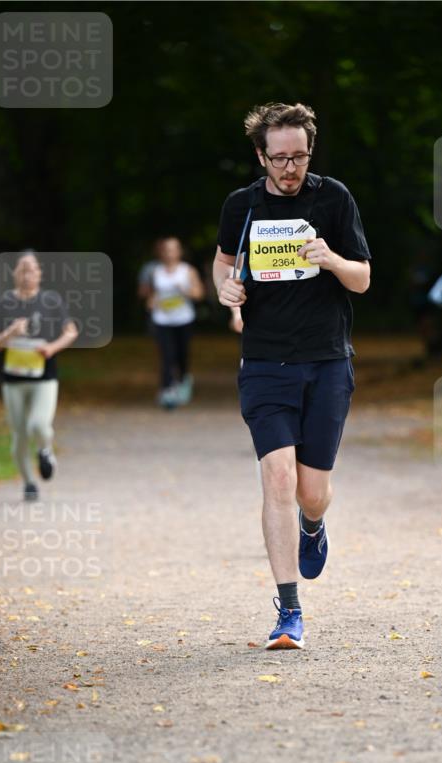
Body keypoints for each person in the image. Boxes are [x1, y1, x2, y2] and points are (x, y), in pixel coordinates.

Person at [213, 102, 371, 649]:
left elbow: (363, 280)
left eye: (299, 156)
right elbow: (222, 261)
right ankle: (289, 610)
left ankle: (313, 525)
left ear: (310, 152)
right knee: (277, 477)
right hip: (264, 363)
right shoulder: (243, 206)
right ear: (261, 156)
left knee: (312, 492)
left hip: (327, 361)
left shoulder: (334, 198)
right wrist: (225, 291)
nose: (289, 167)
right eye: (278, 158)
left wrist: (331, 259)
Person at [0, 251, 78, 501]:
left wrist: (52, 348)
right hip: (13, 380)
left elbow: (71, 332)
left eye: (32, 270)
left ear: (40, 274)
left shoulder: (51, 302)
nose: (27, 275)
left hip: (44, 377)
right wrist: (9, 334)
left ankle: (45, 450)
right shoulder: (5, 304)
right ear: (15, 274)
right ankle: (28, 482)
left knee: (38, 424)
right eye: (22, 270)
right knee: (19, 436)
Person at [146, 237, 205, 409]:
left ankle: (184, 379)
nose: (170, 253)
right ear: (162, 253)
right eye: (167, 249)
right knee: (167, 355)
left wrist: (185, 290)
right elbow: (151, 296)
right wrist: (151, 302)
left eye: (173, 249)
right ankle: (166, 391)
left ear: (180, 252)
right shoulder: (156, 272)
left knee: (181, 355)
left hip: (183, 319)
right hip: (162, 320)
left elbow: (199, 294)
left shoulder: (188, 271)